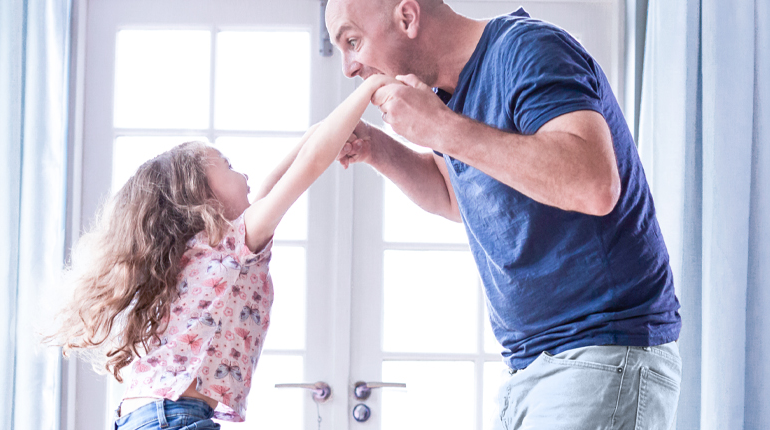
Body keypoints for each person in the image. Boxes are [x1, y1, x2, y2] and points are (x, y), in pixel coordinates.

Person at [327, 0, 683, 428]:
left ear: (407, 17)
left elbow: (594, 184)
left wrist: (441, 129)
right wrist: (375, 147)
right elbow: (453, 196)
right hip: (532, 365)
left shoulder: (529, 50)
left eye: (352, 41)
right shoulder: (447, 93)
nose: (348, 67)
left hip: (600, 349)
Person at [45, 75, 396, 429]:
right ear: (203, 198)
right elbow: (309, 163)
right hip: (173, 416)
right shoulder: (230, 245)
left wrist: (327, 129)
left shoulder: (205, 252)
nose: (243, 174)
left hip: (145, 415)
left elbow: (282, 174)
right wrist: (367, 90)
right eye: (228, 167)